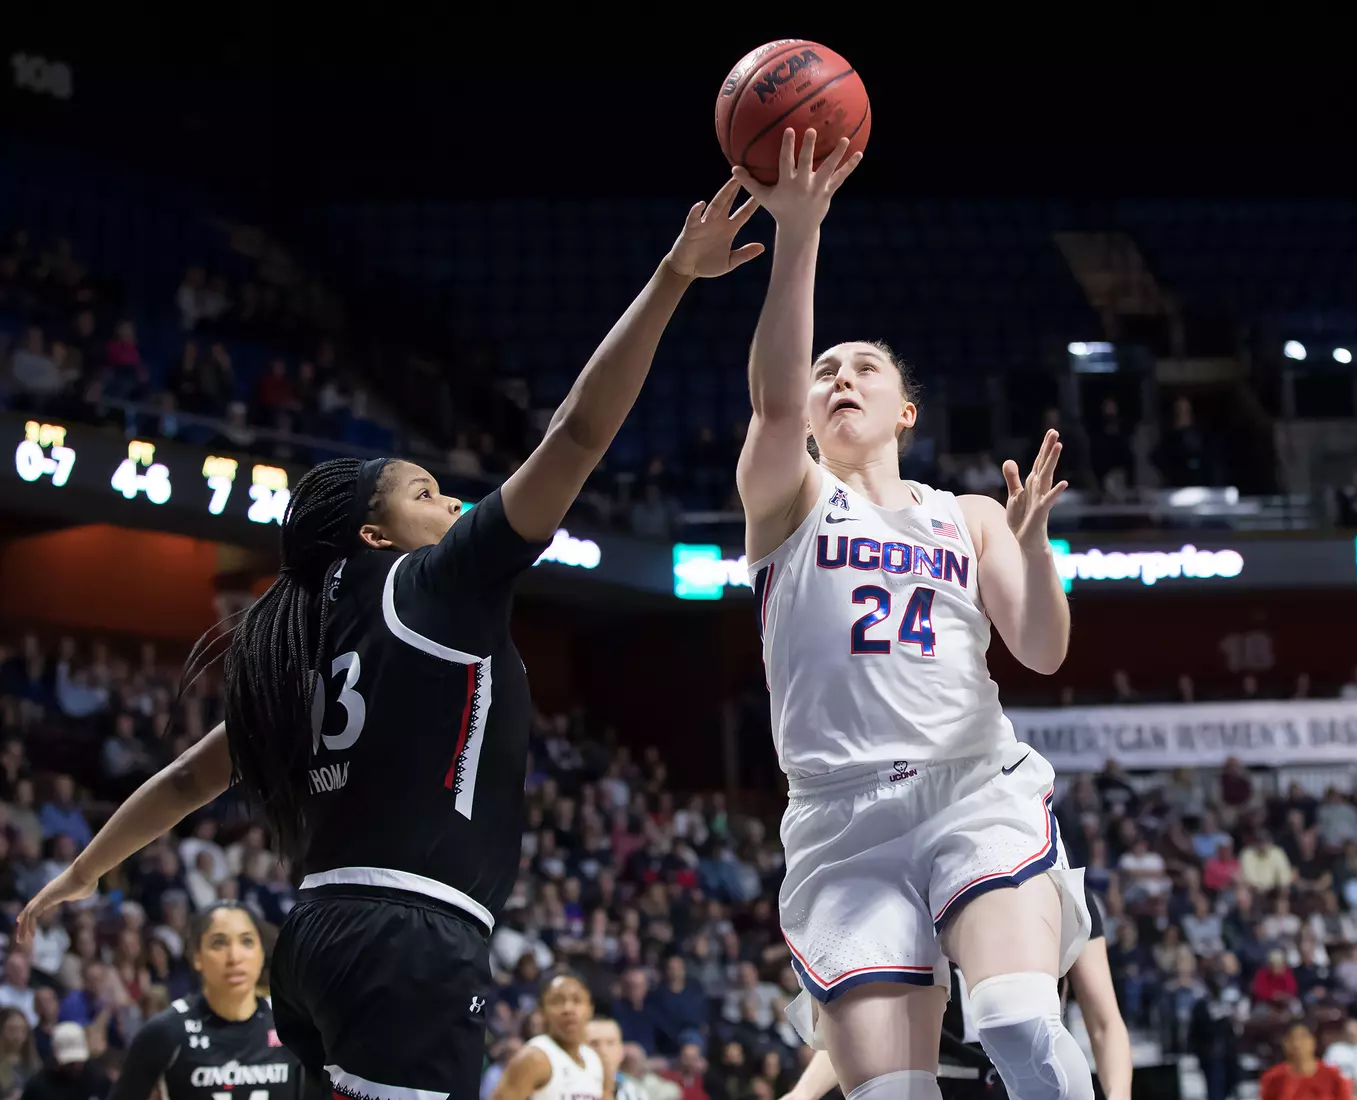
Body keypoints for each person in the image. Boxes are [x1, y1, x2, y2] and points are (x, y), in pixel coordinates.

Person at [13, 181, 765, 1100]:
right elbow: (574, 435)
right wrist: (673, 275)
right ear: (374, 534)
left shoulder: (301, 636)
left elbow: (185, 780)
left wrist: (86, 871)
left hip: (316, 936)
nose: (450, 502)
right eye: (422, 493)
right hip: (407, 937)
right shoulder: (437, 581)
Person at [728, 129, 1090, 1100]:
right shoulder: (789, 500)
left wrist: (1034, 542)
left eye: (865, 370)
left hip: (969, 786)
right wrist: (798, 230)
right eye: (825, 370)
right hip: (841, 821)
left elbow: (1045, 650)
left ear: (906, 413)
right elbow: (768, 404)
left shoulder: (965, 515)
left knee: (1016, 1016)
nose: (840, 376)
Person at [110, 901, 304, 1100]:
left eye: (246, 941)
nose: (234, 957)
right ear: (196, 957)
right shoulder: (167, 1031)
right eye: (219, 943)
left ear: (261, 953)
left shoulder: (291, 1025)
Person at [490, 976, 604, 1100]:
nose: (568, 1009)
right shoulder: (534, 1057)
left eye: (577, 1000)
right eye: (557, 1002)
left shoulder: (594, 1059)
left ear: (590, 1008)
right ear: (542, 1011)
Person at [1259, 1022, 1352, 1100]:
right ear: (1285, 1044)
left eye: (1302, 1038)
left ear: (1313, 1041)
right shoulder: (1272, 1078)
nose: (1297, 1044)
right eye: (1292, 1039)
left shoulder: (1333, 1076)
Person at [19, 1024, 109, 1100]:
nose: (74, 1066)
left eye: (78, 1061)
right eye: (69, 1063)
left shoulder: (98, 1078)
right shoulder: (38, 1087)